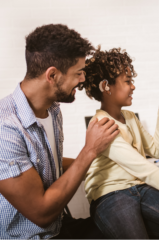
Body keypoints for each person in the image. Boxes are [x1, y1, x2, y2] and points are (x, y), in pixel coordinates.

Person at [0, 24, 120, 239]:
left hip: (60, 226)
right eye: (78, 73)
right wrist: (90, 150)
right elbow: (41, 212)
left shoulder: (53, 110)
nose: (83, 79)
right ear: (52, 75)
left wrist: (107, 164)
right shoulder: (5, 128)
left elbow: (47, 163)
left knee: (130, 228)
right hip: (32, 235)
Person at [83, 46, 159, 239]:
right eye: (127, 82)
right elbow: (145, 169)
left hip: (140, 187)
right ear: (106, 86)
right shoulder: (102, 125)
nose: (133, 86)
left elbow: (157, 151)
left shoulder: (130, 117)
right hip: (111, 195)